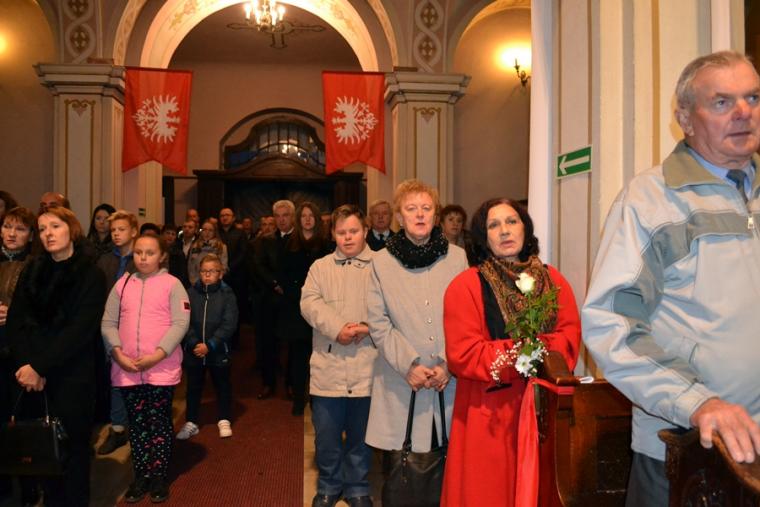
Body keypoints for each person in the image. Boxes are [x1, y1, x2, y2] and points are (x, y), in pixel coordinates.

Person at [582, 50, 760, 507]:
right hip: (687, 451)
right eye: (722, 102)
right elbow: (610, 322)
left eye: (753, 97)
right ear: (685, 118)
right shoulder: (651, 200)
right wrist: (696, 400)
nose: (743, 112)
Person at [440, 198, 582, 506]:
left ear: (525, 228)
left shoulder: (554, 280)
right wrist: (523, 354)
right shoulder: (465, 286)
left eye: (512, 221)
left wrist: (533, 351)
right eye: (494, 225)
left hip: (546, 411)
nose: (504, 230)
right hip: (490, 414)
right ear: (483, 236)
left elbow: (569, 338)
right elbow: (464, 354)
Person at [365, 180, 468, 497]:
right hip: (401, 380)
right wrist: (408, 365)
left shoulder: (458, 258)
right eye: (411, 209)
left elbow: (467, 316)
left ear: (436, 215)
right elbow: (378, 322)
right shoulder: (380, 262)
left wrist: (449, 362)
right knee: (403, 471)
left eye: (426, 208)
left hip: (447, 380)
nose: (420, 214)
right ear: (399, 216)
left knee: (448, 471)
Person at [6, 206, 106, 507]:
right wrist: (26, 365)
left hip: (71, 375)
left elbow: (80, 330)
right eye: (42, 229)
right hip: (31, 377)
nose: (48, 233)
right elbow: (16, 321)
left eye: (55, 226)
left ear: (71, 229)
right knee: (42, 451)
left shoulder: (91, 273)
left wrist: (39, 366)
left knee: (72, 454)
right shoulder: (33, 269)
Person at [101, 234, 190, 503]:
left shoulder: (172, 284)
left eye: (150, 253)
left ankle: (159, 476)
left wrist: (158, 354)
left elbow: (180, 323)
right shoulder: (123, 284)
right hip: (127, 368)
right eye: (139, 252)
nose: (143, 257)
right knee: (137, 424)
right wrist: (117, 352)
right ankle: (141, 475)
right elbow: (108, 322)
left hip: (160, 368)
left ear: (162, 256)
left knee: (159, 422)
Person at [300, 204, 377, 507]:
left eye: (354, 231)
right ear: (332, 233)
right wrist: (337, 328)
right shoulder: (320, 267)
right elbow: (309, 303)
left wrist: (368, 327)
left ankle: (357, 487)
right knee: (327, 436)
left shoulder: (381, 265)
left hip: (367, 364)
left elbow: (392, 306)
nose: (348, 237)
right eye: (342, 232)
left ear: (365, 231)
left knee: (361, 436)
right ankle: (329, 486)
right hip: (328, 366)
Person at [176, 254, 238, 440]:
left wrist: (211, 344)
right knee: (193, 387)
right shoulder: (190, 293)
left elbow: (229, 323)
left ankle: (224, 418)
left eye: (212, 271)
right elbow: (184, 320)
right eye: (203, 271)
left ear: (220, 273)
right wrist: (194, 342)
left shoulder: (227, 295)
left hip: (218, 350)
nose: (207, 275)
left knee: (222, 385)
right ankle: (191, 421)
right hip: (195, 351)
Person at [280, 201, 331, 415]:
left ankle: (318, 399)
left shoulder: (326, 245)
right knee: (299, 357)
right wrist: (296, 294)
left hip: (321, 307)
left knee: (320, 357)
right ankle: (299, 399)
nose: (308, 219)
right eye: (304, 216)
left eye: (311, 215)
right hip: (296, 307)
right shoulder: (289, 244)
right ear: (298, 219)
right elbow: (283, 274)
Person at [0, 207, 36, 503]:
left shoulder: (36, 266)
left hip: (22, 352)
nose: (12, 234)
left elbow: (47, 310)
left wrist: (14, 313)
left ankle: (28, 485)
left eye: (20, 229)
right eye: (7, 227)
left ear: (31, 235)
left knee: (24, 421)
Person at [95, 210, 138, 455]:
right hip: (109, 326)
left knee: (135, 376)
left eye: (121, 229)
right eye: (113, 230)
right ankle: (119, 428)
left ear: (133, 231)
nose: (116, 234)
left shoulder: (141, 259)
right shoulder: (105, 260)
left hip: (134, 327)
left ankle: (136, 424)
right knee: (115, 378)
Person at [251, 200, 295, 399]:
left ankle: (291, 384)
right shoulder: (265, 240)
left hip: (293, 299)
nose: (281, 220)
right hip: (270, 298)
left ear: (292, 217)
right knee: (268, 343)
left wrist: (290, 286)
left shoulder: (300, 239)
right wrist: (274, 283)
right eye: (278, 216)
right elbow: (259, 266)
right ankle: (268, 383)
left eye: (285, 215)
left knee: (292, 345)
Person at [187, 220, 228, 286]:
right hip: (197, 282)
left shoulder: (221, 247)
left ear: (215, 232)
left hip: (214, 283)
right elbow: (190, 267)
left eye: (210, 230)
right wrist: (193, 281)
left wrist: (215, 281)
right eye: (204, 230)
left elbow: (223, 267)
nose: (207, 232)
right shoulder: (195, 246)